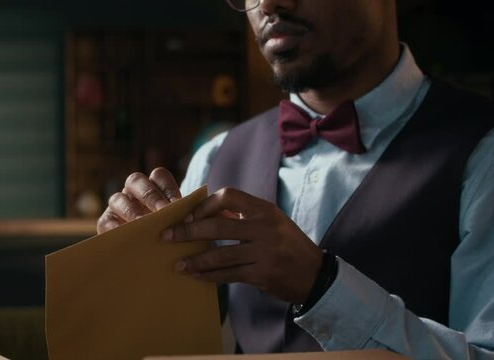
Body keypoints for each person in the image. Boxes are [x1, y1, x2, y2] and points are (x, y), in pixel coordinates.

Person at [97, 0, 494, 357]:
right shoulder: (216, 156)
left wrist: (323, 287)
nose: (267, 3)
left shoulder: (483, 151)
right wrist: (131, 275)